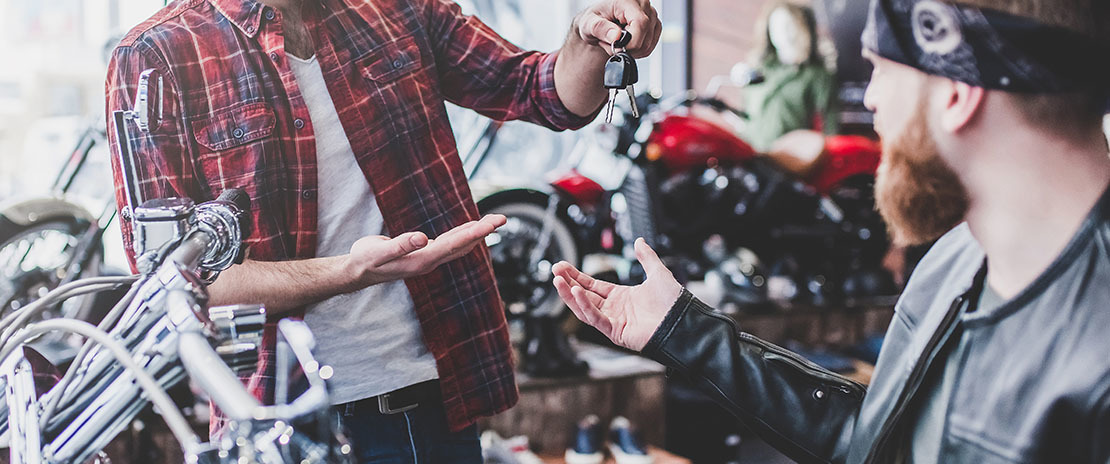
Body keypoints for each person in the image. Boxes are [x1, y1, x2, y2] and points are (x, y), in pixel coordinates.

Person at [554, 0, 1110, 462]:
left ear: (956, 91)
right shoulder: (952, 265)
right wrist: (682, 331)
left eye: (882, 72)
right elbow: (874, 444)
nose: (869, 99)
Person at [105, 0, 661, 462]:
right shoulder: (155, 58)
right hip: (276, 422)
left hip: (431, 400)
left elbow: (541, 91)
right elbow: (172, 279)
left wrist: (588, 40)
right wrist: (350, 271)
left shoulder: (394, 8)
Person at [740, 2, 839, 152]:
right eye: (776, 27)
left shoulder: (816, 75)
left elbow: (831, 127)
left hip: (790, 158)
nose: (783, 33)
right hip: (752, 154)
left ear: (801, 28)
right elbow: (745, 115)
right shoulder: (758, 69)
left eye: (789, 25)